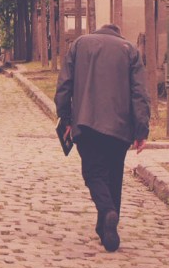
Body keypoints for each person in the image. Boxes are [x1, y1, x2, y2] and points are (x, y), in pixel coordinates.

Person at [54, 23, 150, 252]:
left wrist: (65, 117)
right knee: (114, 174)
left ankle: (107, 212)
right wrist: (141, 130)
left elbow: (64, 84)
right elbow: (140, 93)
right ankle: (107, 231)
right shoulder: (130, 50)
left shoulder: (79, 45)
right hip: (120, 126)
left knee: (93, 173)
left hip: (85, 122)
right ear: (118, 33)